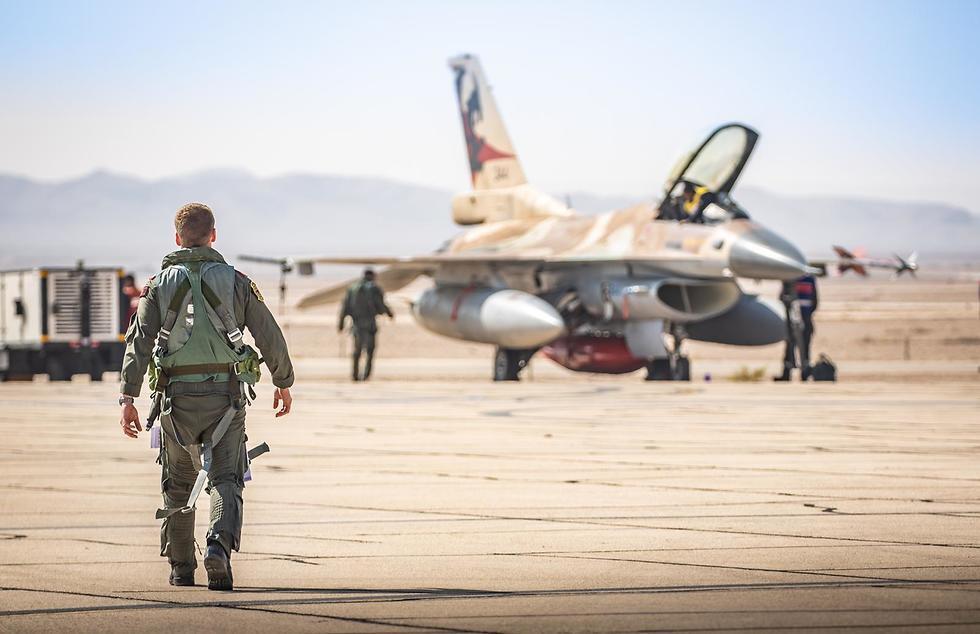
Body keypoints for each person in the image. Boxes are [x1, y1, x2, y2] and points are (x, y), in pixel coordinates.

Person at [118, 202, 294, 591]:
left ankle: (181, 568)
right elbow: (269, 334)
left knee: (177, 483)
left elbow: (139, 343)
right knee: (225, 480)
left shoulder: (157, 285)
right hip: (224, 399)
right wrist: (283, 381)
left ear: (176, 237)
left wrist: (127, 398)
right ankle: (218, 549)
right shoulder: (236, 281)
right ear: (213, 236)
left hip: (173, 402)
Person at [338, 268, 394, 381]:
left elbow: (345, 307)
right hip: (370, 324)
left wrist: (341, 324)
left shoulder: (352, 288)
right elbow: (381, 304)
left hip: (357, 324)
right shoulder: (374, 288)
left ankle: (355, 375)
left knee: (357, 350)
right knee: (370, 350)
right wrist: (389, 313)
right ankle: (366, 375)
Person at [775, 274, 818, 381]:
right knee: (793, 347)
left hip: (800, 318)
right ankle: (799, 372)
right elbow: (815, 301)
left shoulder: (789, 277)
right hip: (800, 318)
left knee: (794, 346)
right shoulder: (807, 279)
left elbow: (782, 298)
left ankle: (797, 372)